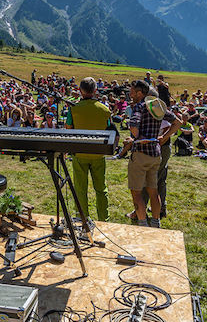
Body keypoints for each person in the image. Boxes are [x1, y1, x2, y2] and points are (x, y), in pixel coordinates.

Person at [125, 80, 180, 228]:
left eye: (132, 92)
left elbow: (134, 126)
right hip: (155, 153)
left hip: (140, 154)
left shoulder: (139, 107)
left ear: (140, 93)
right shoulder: (157, 107)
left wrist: (137, 137)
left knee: (136, 193)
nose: (130, 94)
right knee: (153, 191)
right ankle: (156, 222)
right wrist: (164, 137)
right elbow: (177, 123)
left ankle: (143, 224)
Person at [66, 77, 112, 222]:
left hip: (80, 153)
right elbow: (108, 128)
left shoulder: (74, 109)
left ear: (80, 90)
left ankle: (82, 218)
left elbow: (68, 128)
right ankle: (104, 219)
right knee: (101, 189)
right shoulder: (104, 109)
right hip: (98, 153)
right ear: (95, 90)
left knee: (80, 189)